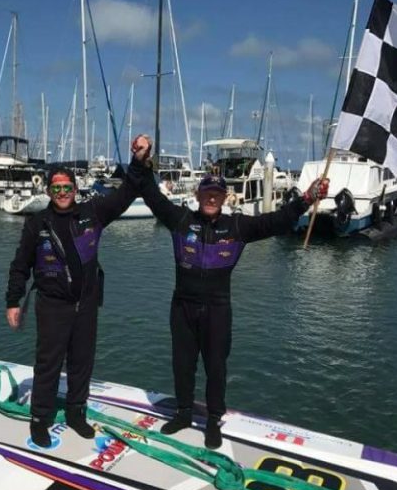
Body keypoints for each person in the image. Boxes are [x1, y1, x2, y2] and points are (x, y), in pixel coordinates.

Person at [128, 134, 328, 449]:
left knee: (216, 368)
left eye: (216, 194)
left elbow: (275, 222)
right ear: (197, 194)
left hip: (218, 310)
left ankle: (212, 421)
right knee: (182, 364)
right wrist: (140, 161)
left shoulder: (237, 227)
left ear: (224, 198)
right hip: (182, 308)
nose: (211, 198)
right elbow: (150, 193)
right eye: (206, 192)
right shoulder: (180, 220)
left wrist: (306, 199)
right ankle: (182, 414)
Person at [6, 166, 138, 447]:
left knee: (81, 363)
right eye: (56, 188)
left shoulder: (93, 214)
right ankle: (40, 419)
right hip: (52, 305)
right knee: (48, 365)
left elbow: (125, 194)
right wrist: (13, 301)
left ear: (75, 190)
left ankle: (76, 413)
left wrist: (139, 162)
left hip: (86, 305)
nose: (63, 193)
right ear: (48, 191)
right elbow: (20, 266)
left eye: (67, 188)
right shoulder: (36, 223)